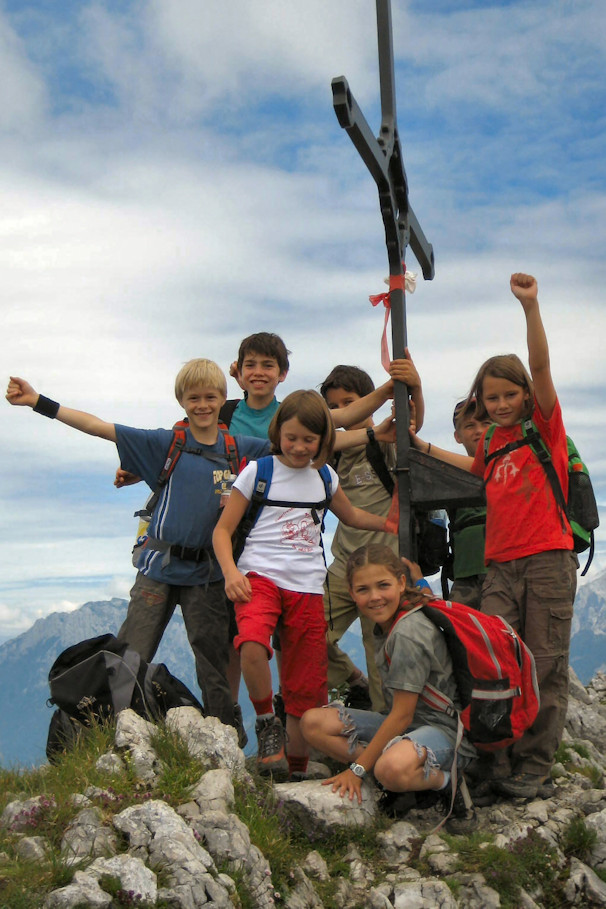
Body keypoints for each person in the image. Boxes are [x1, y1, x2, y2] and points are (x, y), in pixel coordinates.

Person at [5, 361, 269, 735]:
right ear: (182, 400)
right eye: (194, 398)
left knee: (213, 662)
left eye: (211, 397)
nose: (203, 405)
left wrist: (373, 435)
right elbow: (98, 427)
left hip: (206, 574)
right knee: (129, 656)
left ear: (223, 398)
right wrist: (38, 402)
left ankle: (224, 734)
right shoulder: (164, 443)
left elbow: (304, 441)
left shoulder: (242, 449)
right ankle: (109, 733)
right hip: (157, 570)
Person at [409, 273, 577, 800]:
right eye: (491, 398)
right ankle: (495, 761)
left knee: (544, 664)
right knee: (497, 663)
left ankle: (534, 766)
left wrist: (530, 307)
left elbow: (544, 367)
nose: (501, 405)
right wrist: (418, 445)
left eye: (509, 395)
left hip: (548, 559)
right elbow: (473, 469)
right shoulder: (496, 445)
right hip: (500, 566)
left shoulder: (542, 428)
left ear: (527, 394)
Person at [212, 390, 397, 781]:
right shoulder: (258, 471)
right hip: (258, 577)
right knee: (251, 643)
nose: (298, 447)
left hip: (309, 588)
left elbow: (351, 515)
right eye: (291, 437)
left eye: (309, 440)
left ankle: (294, 770)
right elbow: (222, 530)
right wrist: (231, 573)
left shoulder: (325, 476)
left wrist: (389, 523)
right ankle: (266, 723)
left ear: (322, 441)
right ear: (278, 433)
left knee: (307, 689)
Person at [300, 543, 477, 833]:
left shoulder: (408, 632)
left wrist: (358, 769)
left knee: (389, 768)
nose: (375, 598)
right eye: (363, 590)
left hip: (444, 732)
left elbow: (402, 716)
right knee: (313, 723)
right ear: (351, 592)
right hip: (408, 728)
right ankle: (399, 777)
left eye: (383, 585)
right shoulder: (396, 616)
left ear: (401, 583)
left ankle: (447, 782)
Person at [320, 355, 424, 712]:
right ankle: (352, 681)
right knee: (303, 636)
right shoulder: (330, 452)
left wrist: (416, 386)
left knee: (382, 655)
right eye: (334, 407)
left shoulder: (384, 443)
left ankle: (386, 731)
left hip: (383, 570)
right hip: (342, 568)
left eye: (349, 402)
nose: (343, 410)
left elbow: (411, 423)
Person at [446, 398, 492, 610]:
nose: (478, 431)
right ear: (458, 436)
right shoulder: (449, 476)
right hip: (465, 573)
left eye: (486, 423)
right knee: (462, 635)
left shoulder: (512, 467)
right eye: (470, 425)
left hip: (503, 571)